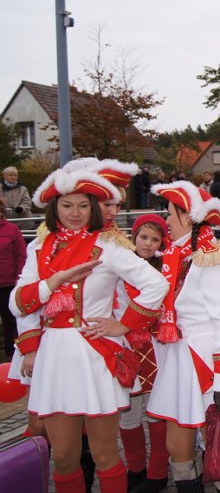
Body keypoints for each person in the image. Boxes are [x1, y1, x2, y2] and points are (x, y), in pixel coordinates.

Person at [10, 169, 168, 492]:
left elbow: (156, 284)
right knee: (63, 457)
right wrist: (55, 281)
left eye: (83, 205)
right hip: (53, 357)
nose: (75, 213)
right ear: (54, 207)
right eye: (67, 205)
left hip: (94, 357)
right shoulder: (38, 247)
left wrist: (124, 324)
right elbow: (17, 303)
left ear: (93, 207)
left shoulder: (108, 245)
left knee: (105, 454)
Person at [146, 181, 220, 493]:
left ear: (188, 217)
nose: (166, 220)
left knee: (218, 445)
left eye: (170, 213)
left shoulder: (211, 257)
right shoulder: (175, 254)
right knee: (177, 448)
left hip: (207, 362)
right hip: (179, 357)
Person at [118, 214, 171, 492]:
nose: (148, 243)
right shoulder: (119, 266)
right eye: (143, 237)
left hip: (156, 349)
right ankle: (135, 470)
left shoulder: (166, 269)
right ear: (134, 237)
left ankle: (158, 472)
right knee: (128, 415)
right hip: (125, 348)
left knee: (156, 412)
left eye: (155, 239)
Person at [0, 197, 25, 361]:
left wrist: (18, 277)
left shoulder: (12, 229)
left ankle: (11, 354)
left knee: (10, 320)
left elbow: (21, 255)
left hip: (7, 283)